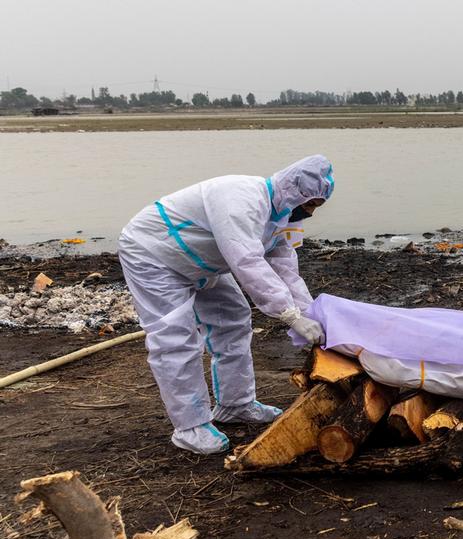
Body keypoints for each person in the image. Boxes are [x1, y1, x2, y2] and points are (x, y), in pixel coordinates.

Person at [118, 155, 335, 454]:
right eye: (309, 203)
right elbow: (246, 261)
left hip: (202, 261)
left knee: (233, 317)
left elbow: (285, 267)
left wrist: (311, 314)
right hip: (154, 255)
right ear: (294, 191)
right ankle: (190, 426)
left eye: (316, 207)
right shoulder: (242, 198)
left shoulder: (282, 215)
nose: (310, 212)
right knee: (175, 337)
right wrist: (290, 315)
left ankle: (235, 404)